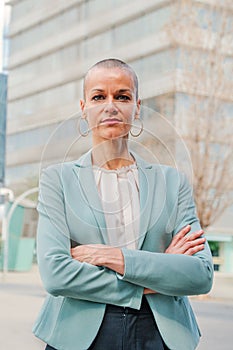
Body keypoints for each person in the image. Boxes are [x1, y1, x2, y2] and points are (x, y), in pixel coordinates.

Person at [33, 59, 213, 350]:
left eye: (122, 96)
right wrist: (158, 275)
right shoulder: (58, 180)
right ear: (84, 108)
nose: (110, 106)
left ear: (137, 107)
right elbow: (56, 274)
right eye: (98, 96)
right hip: (78, 334)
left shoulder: (172, 183)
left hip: (159, 333)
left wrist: (114, 257)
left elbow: (200, 274)